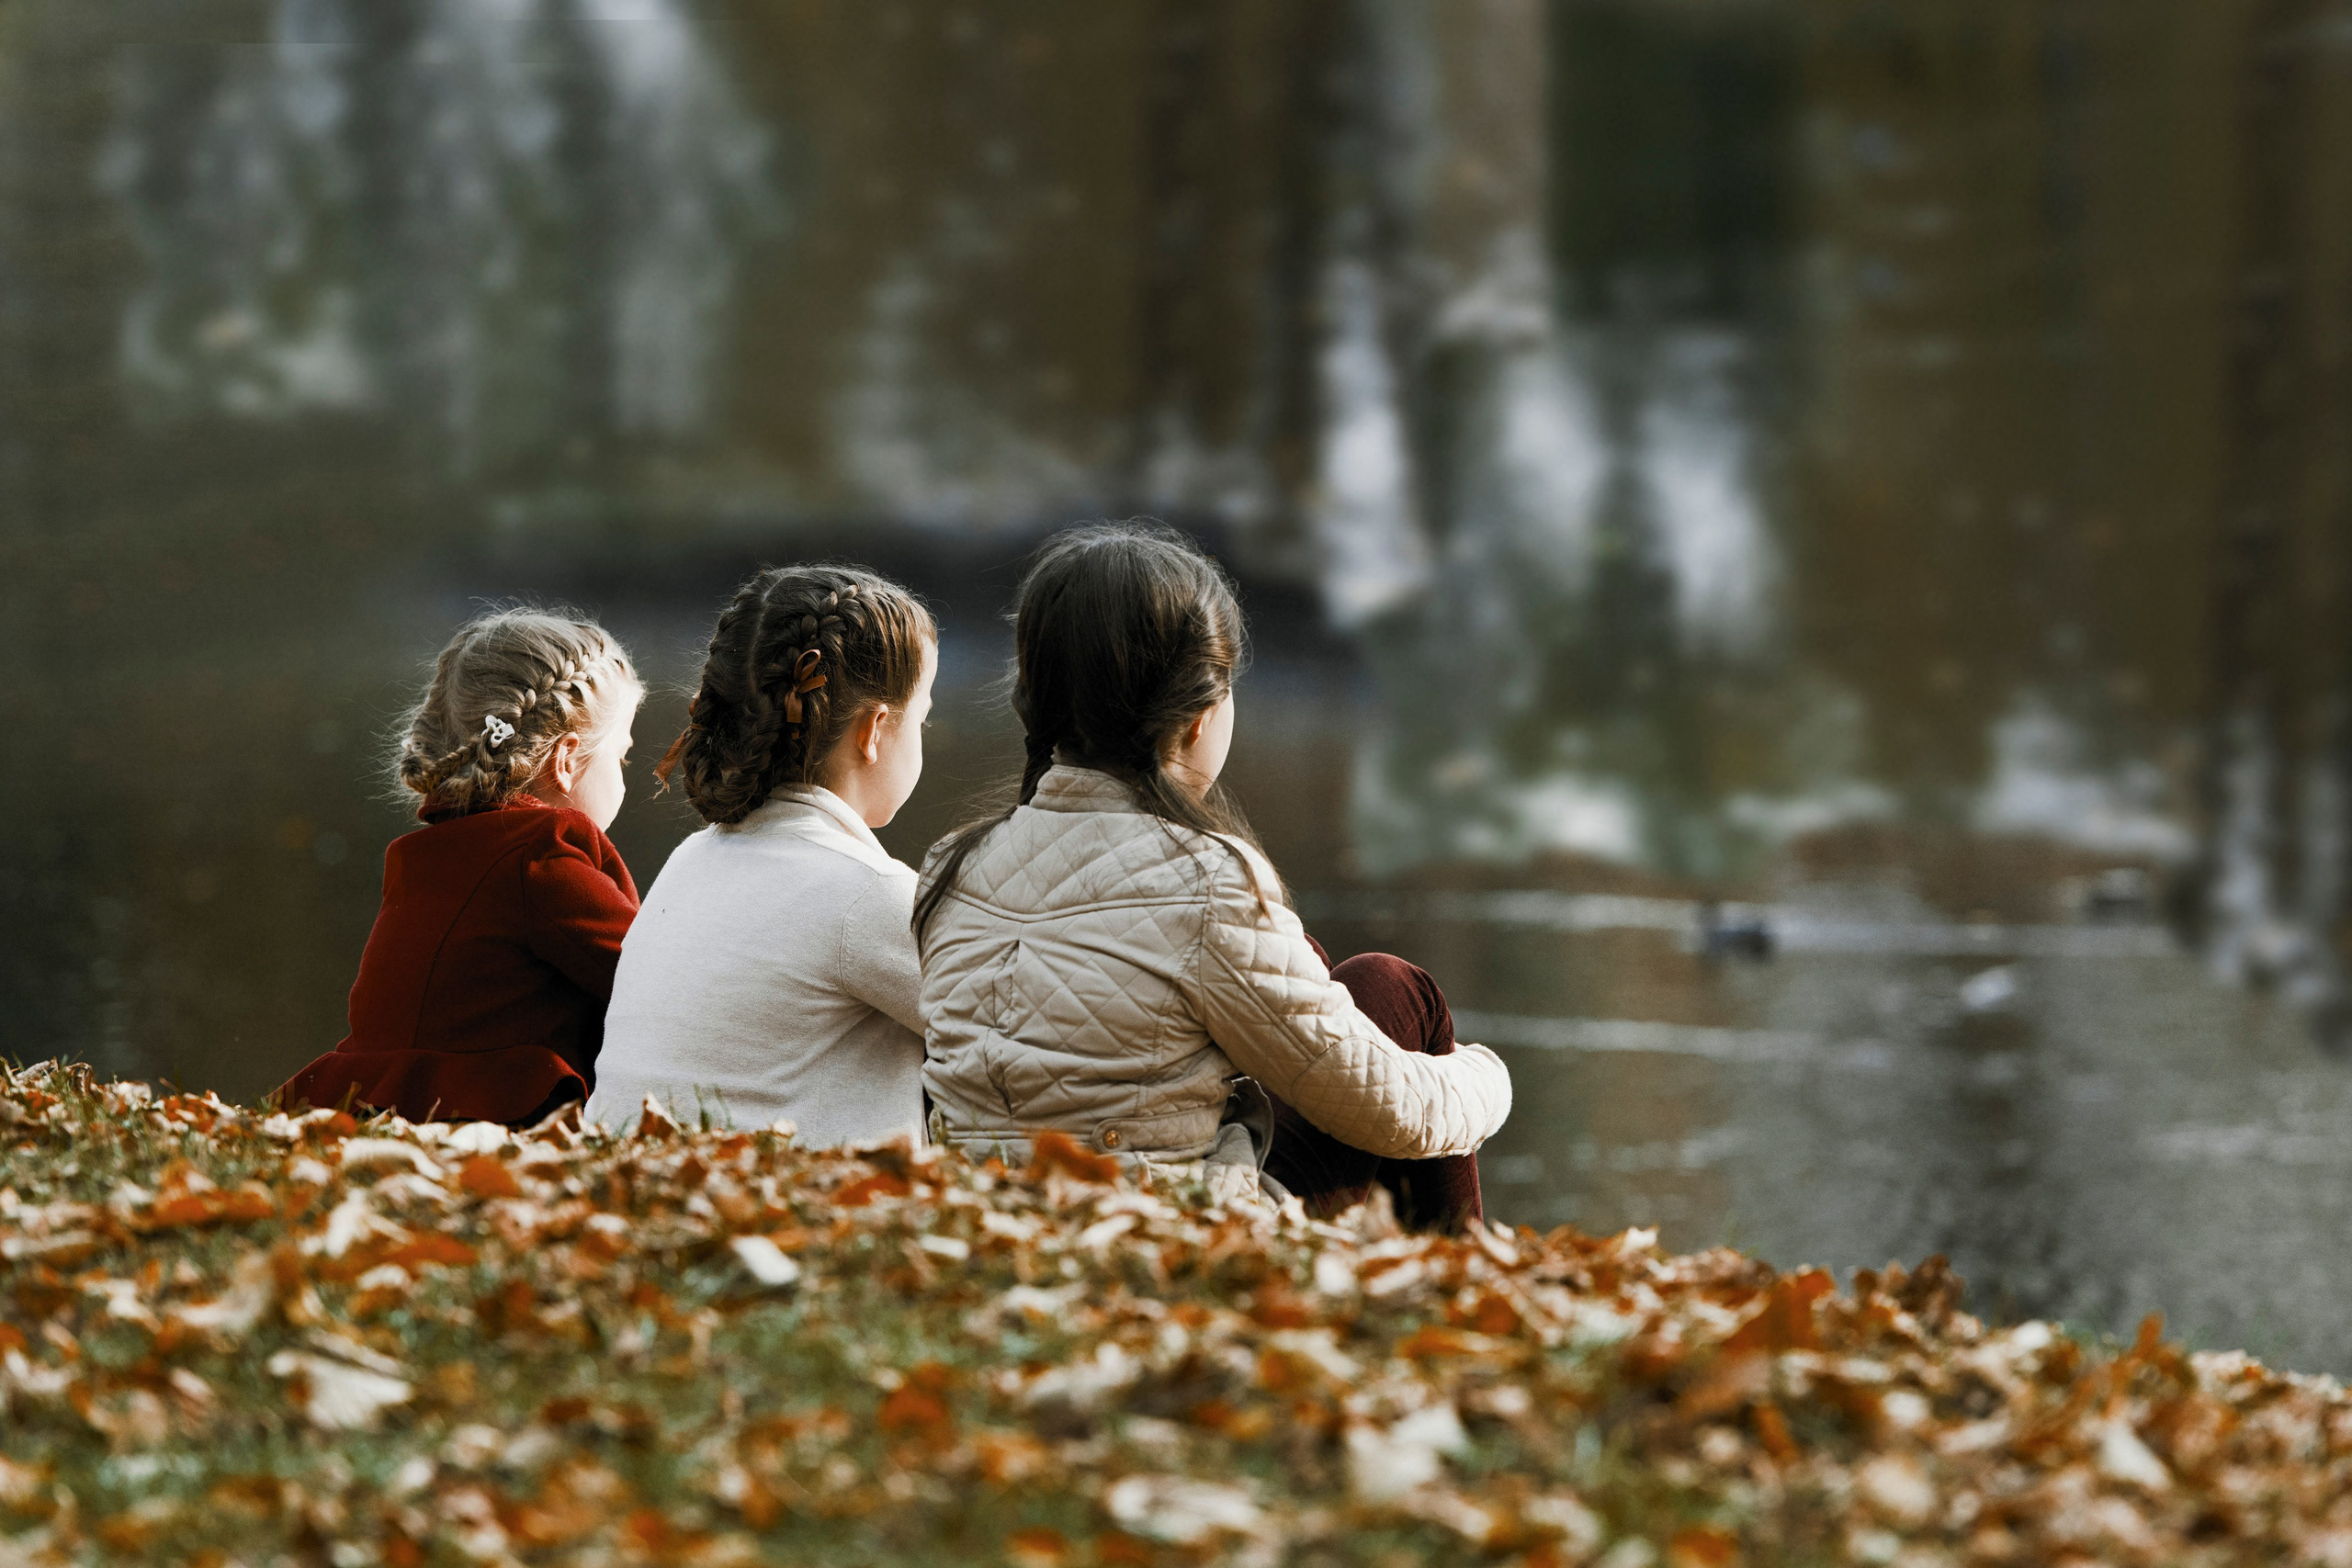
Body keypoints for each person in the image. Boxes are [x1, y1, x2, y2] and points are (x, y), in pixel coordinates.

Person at [914, 523, 1510, 1228]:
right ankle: (1466, 1286)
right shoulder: (1207, 880)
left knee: (1313, 969)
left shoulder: (950, 866)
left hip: (988, 1216)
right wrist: (1486, 1077)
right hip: (1154, 1234)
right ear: (1200, 715)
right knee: (1395, 990)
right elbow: (1392, 1113)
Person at [586, 566, 937, 1145]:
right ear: (874, 731)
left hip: (636, 1194)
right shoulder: (865, 892)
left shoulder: (690, 860)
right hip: (779, 1217)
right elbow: (1032, 1036)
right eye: (922, 719)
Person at [280, 610, 644, 1126]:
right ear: (566, 760)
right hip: (486, 1110)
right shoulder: (543, 853)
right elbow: (652, 978)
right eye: (622, 758)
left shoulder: (424, 856)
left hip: (373, 1101)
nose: (625, 777)